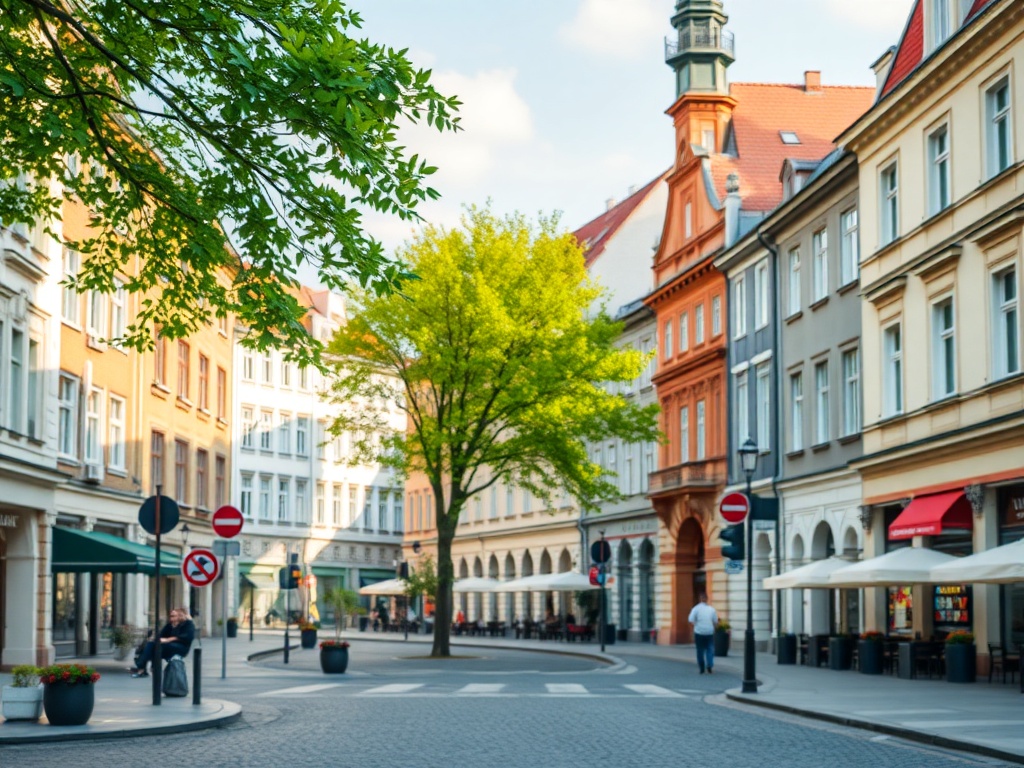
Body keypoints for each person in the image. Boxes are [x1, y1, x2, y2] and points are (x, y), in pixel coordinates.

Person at [130, 607, 196, 678]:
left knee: (156, 647)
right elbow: (161, 635)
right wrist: (155, 638)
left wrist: (169, 639)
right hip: (169, 646)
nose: (171, 618)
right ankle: (147, 668)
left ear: (180, 616)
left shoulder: (187, 624)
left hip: (181, 647)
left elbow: (188, 637)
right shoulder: (170, 625)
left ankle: (142, 668)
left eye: (174, 616)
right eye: (171, 616)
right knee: (152, 644)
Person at [688, 593, 718, 674]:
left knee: (700, 650)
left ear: (699, 599)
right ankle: (709, 665)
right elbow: (715, 621)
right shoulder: (711, 609)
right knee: (710, 649)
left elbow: (691, 620)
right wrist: (714, 628)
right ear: (707, 599)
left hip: (699, 632)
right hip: (709, 632)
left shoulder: (695, 609)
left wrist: (696, 625)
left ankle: (701, 667)